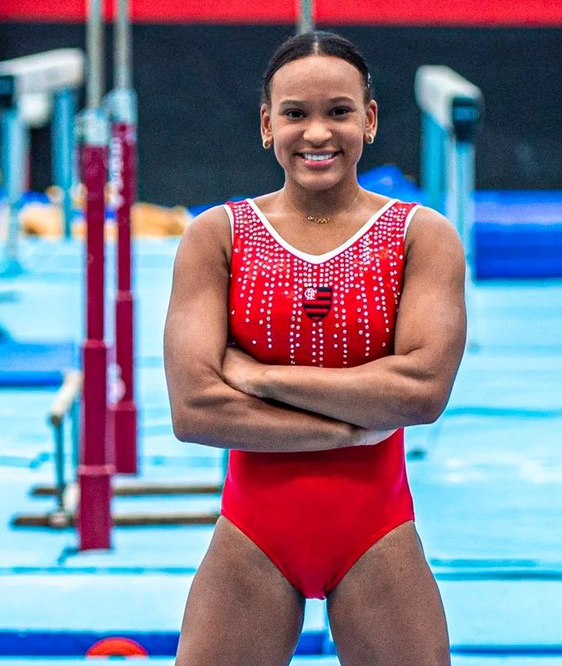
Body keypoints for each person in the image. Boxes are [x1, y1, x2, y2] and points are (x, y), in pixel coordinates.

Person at [164, 30, 466, 666]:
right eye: (296, 115)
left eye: (339, 111)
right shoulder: (217, 237)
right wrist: (352, 428)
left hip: (376, 532)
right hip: (254, 533)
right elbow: (195, 412)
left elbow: (420, 393)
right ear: (268, 125)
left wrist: (259, 377)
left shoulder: (423, 237)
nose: (318, 134)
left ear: (371, 120)